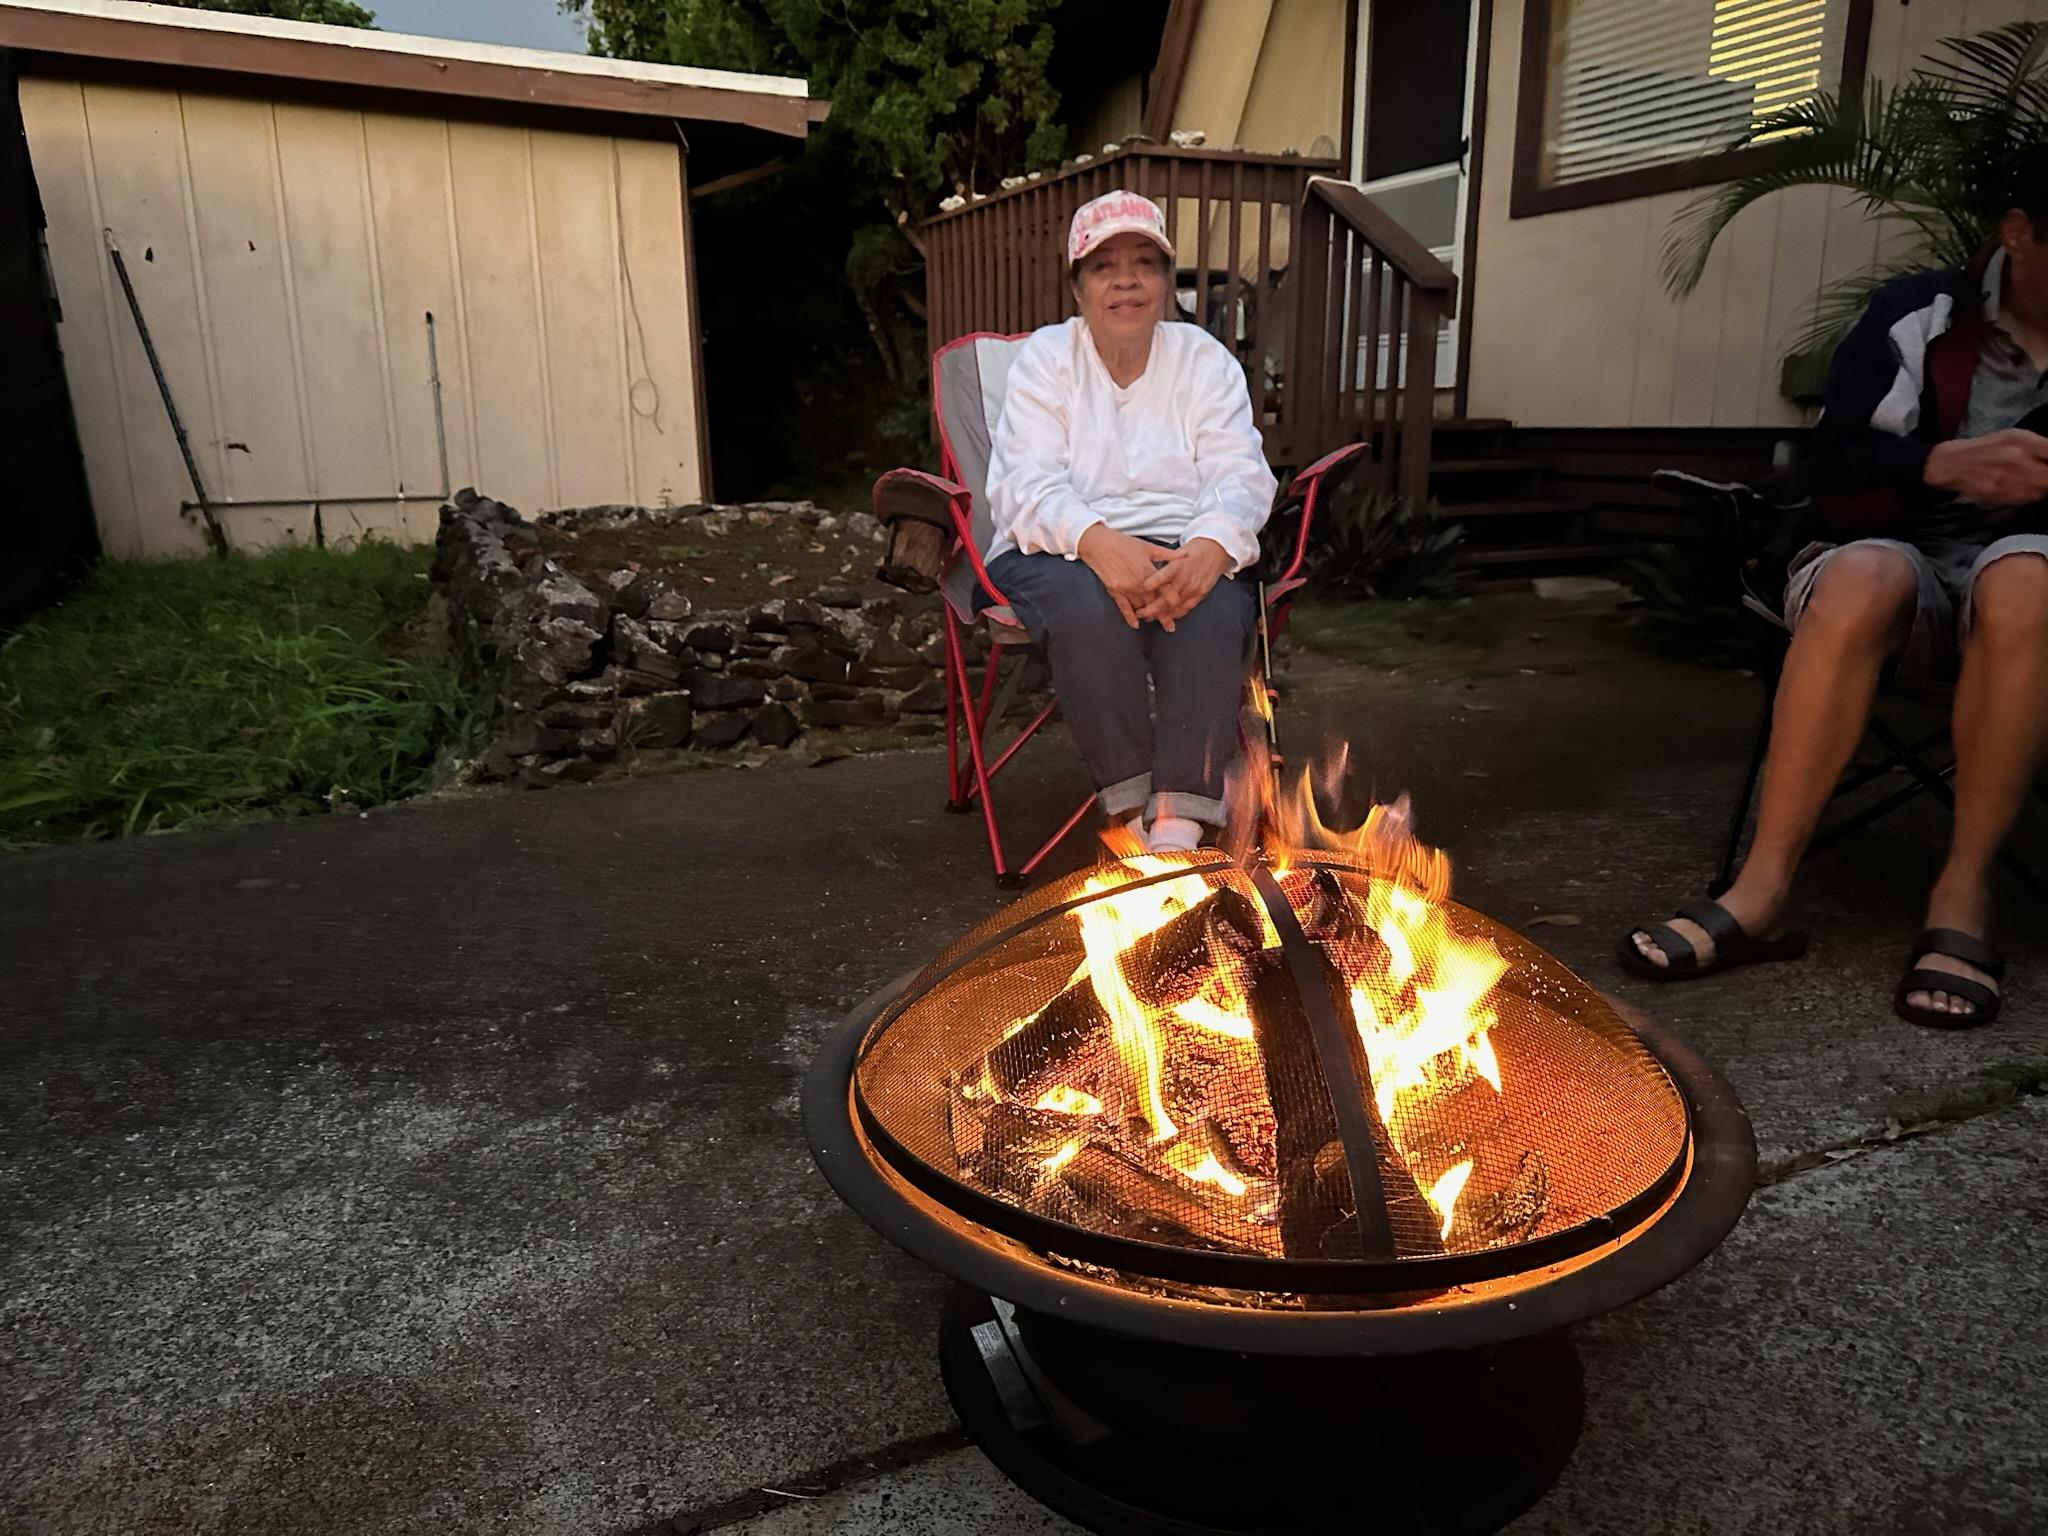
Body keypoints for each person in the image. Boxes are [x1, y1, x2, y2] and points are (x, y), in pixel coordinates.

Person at [1622, 156, 2048, 1029]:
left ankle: (1962, 898)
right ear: (2019, 233)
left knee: (2024, 582)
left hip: (2027, 608)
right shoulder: (1920, 315)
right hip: (1898, 570)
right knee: (1862, 573)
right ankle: (1762, 889)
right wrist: (1935, 462)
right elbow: (1826, 472)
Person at [980, 189, 1278, 854]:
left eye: (1145, 262)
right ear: (1078, 286)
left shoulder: (1202, 359)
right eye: (1103, 265)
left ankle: (1176, 826)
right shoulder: (1047, 361)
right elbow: (1021, 483)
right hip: (1050, 547)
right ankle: (1132, 808)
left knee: (1211, 603)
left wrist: (1211, 546)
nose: (1126, 280)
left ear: (1167, 282)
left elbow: (1240, 471)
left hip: (1180, 541)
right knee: (1088, 605)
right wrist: (1098, 543)